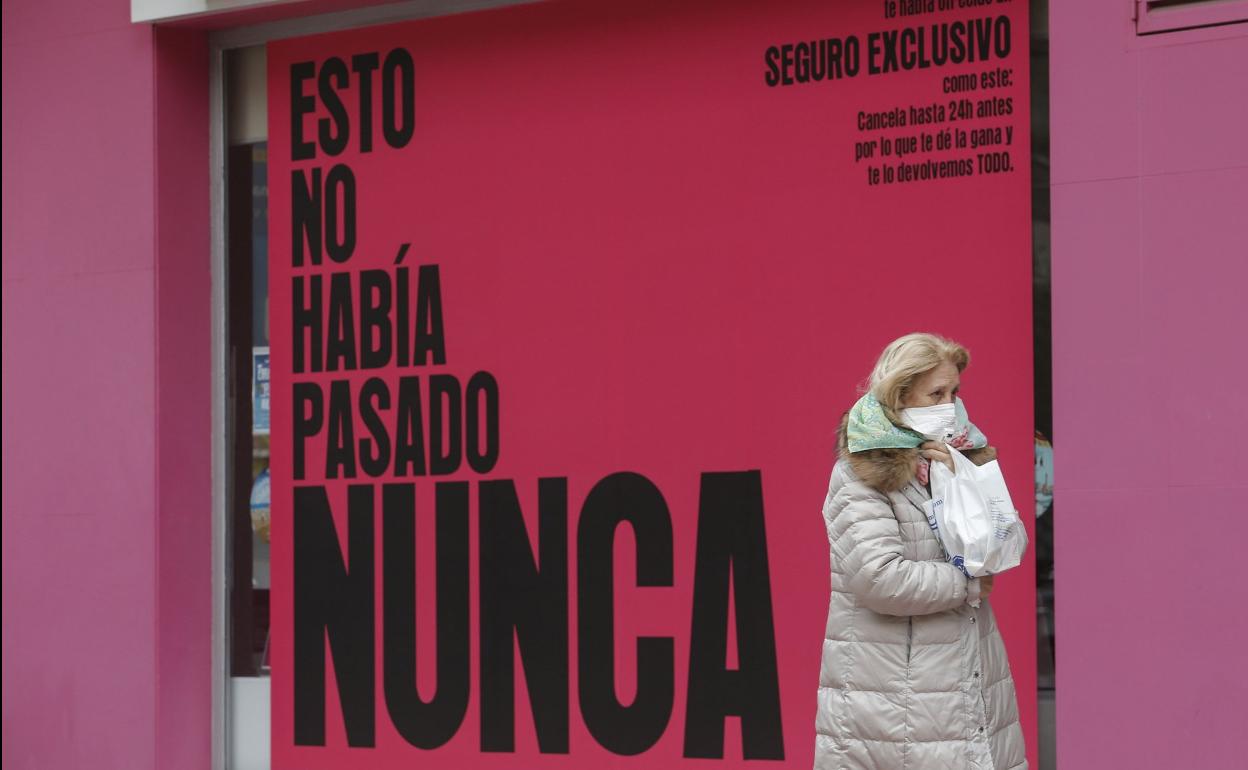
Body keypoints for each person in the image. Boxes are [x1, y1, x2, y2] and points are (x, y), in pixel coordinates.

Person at [814, 332, 1027, 769]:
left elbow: (1009, 542)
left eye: (954, 392)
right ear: (901, 395)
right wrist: (968, 582)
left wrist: (961, 483)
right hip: (895, 706)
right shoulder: (859, 475)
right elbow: (880, 578)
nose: (950, 404)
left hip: (970, 685)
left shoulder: (961, 457)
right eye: (936, 393)